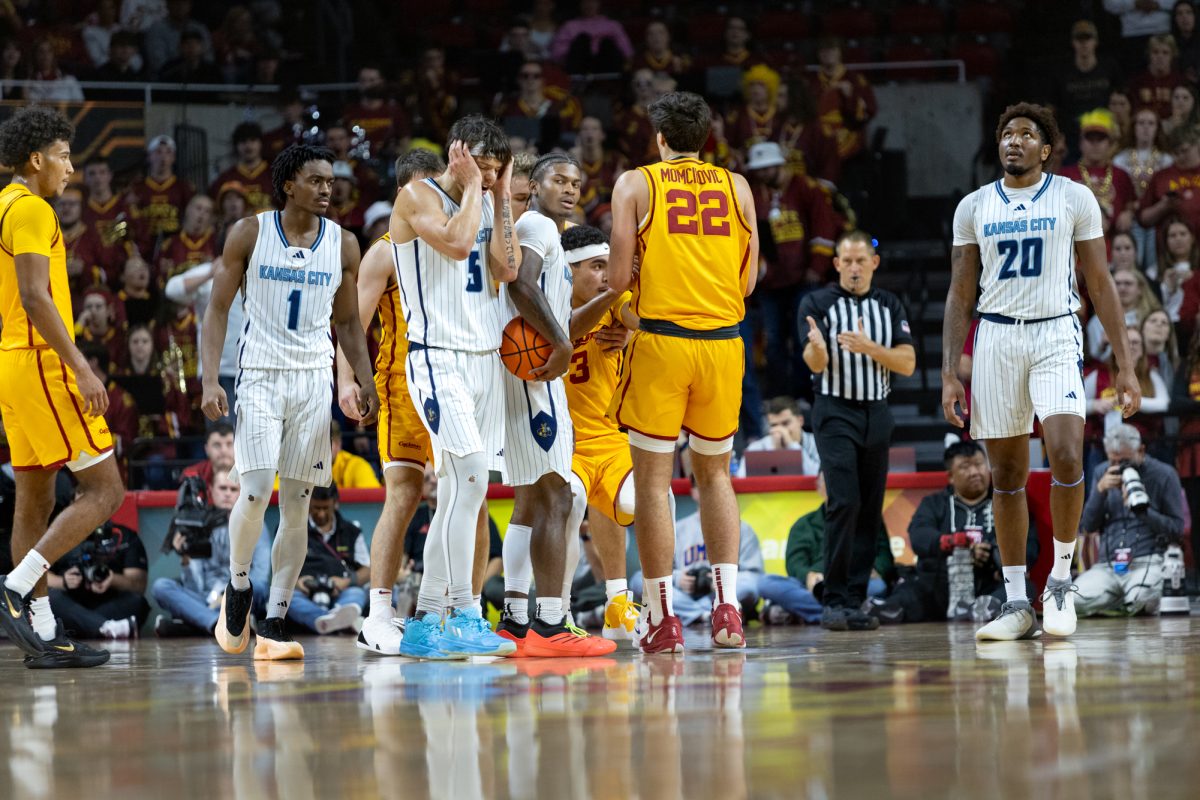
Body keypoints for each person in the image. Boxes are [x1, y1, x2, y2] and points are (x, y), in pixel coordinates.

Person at [943, 102, 1143, 642]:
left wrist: (1125, 365)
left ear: (1046, 149)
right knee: (1006, 476)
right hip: (997, 336)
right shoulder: (974, 206)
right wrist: (949, 372)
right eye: (1007, 133)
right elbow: (961, 291)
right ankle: (1014, 602)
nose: (1014, 141)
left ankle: (1058, 582)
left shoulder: (1073, 197)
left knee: (1068, 455)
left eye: (1026, 134)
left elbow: (1099, 283)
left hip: (1056, 331)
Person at [200, 143, 379, 662]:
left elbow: (347, 322)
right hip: (257, 375)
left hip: (311, 381)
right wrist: (211, 379)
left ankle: (274, 619)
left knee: (298, 505)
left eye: (331, 180)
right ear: (289, 186)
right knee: (255, 493)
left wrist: (362, 382)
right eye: (317, 180)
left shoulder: (345, 244)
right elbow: (216, 309)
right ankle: (238, 587)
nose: (328, 189)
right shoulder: (250, 233)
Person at [607, 90, 760, 653]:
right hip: (723, 346)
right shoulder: (737, 186)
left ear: (660, 139)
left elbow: (620, 278)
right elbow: (747, 283)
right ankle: (727, 609)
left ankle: (663, 618)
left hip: (663, 344)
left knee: (651, 481)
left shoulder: (635, 183)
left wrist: (625, 314)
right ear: (706, 140)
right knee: (716, 476)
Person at [386, 115, 518, 659]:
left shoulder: (488, 197)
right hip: (437, 356)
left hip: (485, 359)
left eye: (494, 171)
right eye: (482, 167)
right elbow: (460, 246)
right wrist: (471, 190)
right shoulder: (417, 195)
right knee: (465, 481)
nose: (487, 178)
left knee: (469, 489)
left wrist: (504, 196)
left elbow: (506, 270)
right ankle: (463, 610)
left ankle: (426, 619)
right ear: (458, 155)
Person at [0, 106, 125, 669]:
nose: (70, 169)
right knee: (106, 491)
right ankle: (17, 586)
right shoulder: (30, 208)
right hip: (43, 363)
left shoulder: (2, 204)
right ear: (36, 159)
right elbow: (34, 295)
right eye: (65, 156)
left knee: (34, 497)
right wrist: (80, 364)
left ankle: (44, 634)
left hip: (12, 363)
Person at [493, 154, 616, 659]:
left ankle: (517, 620)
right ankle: (550, 624)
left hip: (531, 372)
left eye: (576, 183)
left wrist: (611, 300)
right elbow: (521, 287)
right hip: (535, 377)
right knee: (557, 495)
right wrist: (561, 347)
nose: (569, 189)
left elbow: (561, 320)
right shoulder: (538, 225)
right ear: (535, 185)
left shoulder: (549, 235)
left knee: (532, 499)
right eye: (558, 180)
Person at [335, 148, 442, 656]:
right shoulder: (383, 252)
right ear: (403, 195)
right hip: (400, 384)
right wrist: (347, 381)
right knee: (403, 496)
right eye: (422, 189)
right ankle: (379, 614)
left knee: (467, 493)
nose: (431, 199)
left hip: (452, 381)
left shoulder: (454, 241)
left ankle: (446, 608)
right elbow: (350, 324)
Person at [799, 230, 915, 631]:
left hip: (877, 412)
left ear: (873, 264)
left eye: (860, 261)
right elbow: (814, 363)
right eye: (845, 261)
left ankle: (855, 599)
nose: (852, 268)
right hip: (834, 411)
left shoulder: (889, 304)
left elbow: (907, 363)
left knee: (869, 508)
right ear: (835, 265)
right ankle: (833, 599)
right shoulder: (817, 304)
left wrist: (870, 349)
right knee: (844, 501)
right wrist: (818, 347)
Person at [561, 224, 652, 641]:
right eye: (597, 267)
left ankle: (632, 605)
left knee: (653, 498)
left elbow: (646, 321)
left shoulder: (617, 303)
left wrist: (633, 331)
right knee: (567, 507)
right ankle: (555, 613)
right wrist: (613, 291)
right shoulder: (546, 300)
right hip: (561, 441)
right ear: (570, 270)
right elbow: (570, 331)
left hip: (612, 437)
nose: (605, 274)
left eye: (608, 266)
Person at [873, 442, 1038, 624]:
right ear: (950, 476)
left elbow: (1029, 543)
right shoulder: (934, 503)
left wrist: (992, 553)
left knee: (1024, 587)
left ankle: (990, 606)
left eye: (979, 464)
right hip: (941, 585)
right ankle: (889, 608)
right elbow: (918, 535)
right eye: (965, 467)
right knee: (912, 588)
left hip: (988, 583)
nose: (975, 472)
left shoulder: (1007, 503)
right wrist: (957, 545)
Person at [1076, 424, 1186, 615]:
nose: (1118, 467)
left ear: (1141, 450)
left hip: (1148, 560)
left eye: (1125, 461)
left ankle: (1115, 601)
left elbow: (1176, 529)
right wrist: (1099, 492)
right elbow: (1087, 526)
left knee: (1140, 599)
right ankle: (1118, 600)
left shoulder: (1164, 474)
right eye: (1113, 461)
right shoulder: (1102, 472)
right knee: (1072, 601)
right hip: (1108, 566)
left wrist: (1143, 511)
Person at [757, 471, 892, 625]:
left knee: (877, 587)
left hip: (852, 582)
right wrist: (808, 576)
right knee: (766, 583)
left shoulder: (867, 520)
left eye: (841, 483)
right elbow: (794, 564)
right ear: (818, 486)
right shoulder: (804, 524)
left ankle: (805, 613)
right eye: (829, 482)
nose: (835, 488)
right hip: (815, 586)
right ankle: (848, 613)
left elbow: (885, 556)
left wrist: (875, 569)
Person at [151, 468, 271, 636]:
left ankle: (196, 624)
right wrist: (187, 559)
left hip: (242, 595)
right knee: (161, 587)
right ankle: (219, 624)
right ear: (211, 491)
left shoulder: (255, 522)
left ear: (241, 493)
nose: (228, 494)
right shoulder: (199, 524)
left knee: (260, 588)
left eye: (233, 489)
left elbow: (260, 577)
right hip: (206, 598)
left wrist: (231, 594)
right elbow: (196, 587)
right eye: (223, 488)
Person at [631, 475, 763, 626]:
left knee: (750, 587)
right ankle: (706, 614)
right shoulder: (678, 528)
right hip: (684, 594)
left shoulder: (742, 528)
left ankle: (695, 614)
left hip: (719, 593)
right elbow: (658, 569)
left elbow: (753, 577)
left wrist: (722, 582)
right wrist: (678, 578)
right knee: (638, 580)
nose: (708, 492)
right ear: (693, 491)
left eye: (713, 486)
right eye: (702, 486)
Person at [288, 483, 369, 635]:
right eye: (316, 508)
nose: (321, 514)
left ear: (335, 503)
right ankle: (335, 623)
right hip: (305, 593)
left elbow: (367, 569)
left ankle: (323, 623)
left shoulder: (352, 531)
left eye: (326, 508)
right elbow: (281, 567)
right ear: (308, 503)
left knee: (357, 594)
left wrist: (346, 582)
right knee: (288, 599)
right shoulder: (292, 529)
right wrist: (297, 583)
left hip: (340, 593)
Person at [46, 520, 149, 639]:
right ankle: (105, 627)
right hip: (70, 604)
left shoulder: (124, 536)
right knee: (50, 598)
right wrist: (63, 581)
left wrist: (112, 579)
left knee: (138, 602)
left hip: (106, 604)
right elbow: (39, 576)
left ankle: (91, 627)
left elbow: (139, 586)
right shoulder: (59, 535)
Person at [1061, 109, 1137, 238]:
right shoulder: (1065, 175)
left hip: (1116, 247)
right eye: (1090, 139)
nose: (1095, 144)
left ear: (1110, 144)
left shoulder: (1121, 175)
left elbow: (1132, 204)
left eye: (1100, 139)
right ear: (1080, 143)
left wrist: (1129, 213)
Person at [737, 396, 821, 476]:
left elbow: (818, 477)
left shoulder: (818, 443)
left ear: (800, 420)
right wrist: (774, 453)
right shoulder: (755, 449)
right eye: (774, 425)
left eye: (785, 423)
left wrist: (792, 446)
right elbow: (741, 480)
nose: (780, 430)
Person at [209, 122, 274, 214]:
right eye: (243, 141)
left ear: (261, 143)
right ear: (236, 146)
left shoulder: (275, 175)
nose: (248, 145)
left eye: (253, 140)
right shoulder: (225, 178)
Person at [329, 419, 380, 489]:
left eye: (323, 443)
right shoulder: (309, 467)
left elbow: (374, 497)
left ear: (338, 443)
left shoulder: (358, 466)